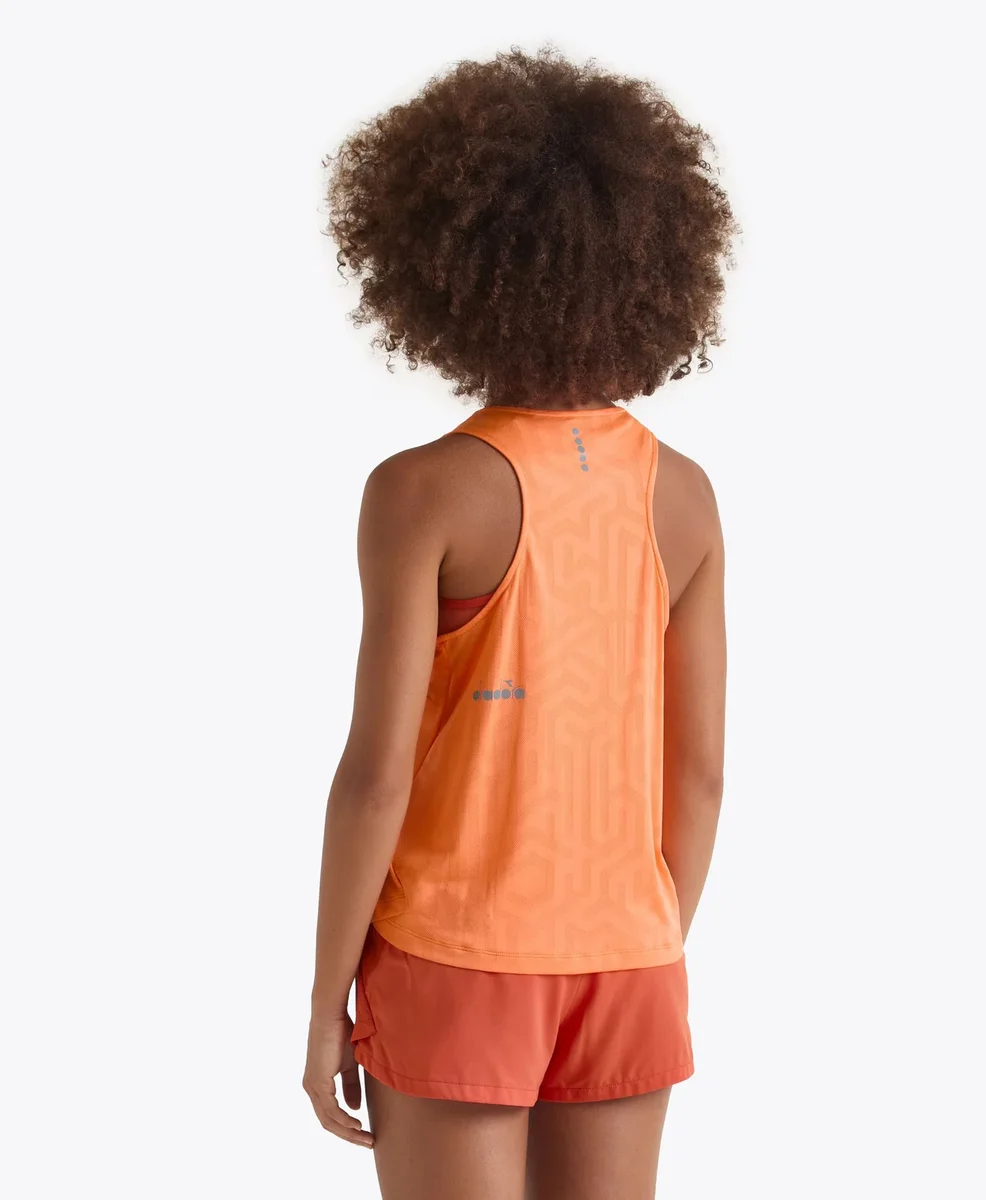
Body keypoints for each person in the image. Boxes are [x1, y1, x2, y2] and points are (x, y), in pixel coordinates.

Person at [303, 46, 735, 1200]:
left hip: (454, 954)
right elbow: (697, 776)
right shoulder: (683, 495)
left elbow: (377, 778)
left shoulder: (423, 492)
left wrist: (325, 1001)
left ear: (443, 268)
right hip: (630, 958)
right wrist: (640, 943)